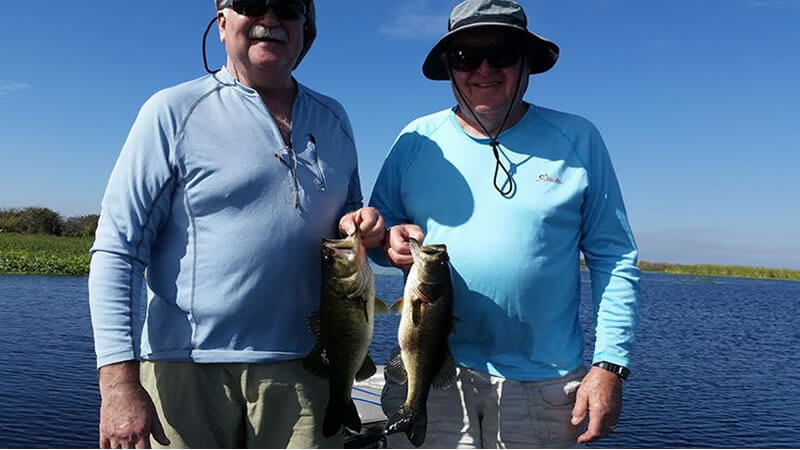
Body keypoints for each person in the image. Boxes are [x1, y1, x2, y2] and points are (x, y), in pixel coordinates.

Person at [88, 0, 385, 448]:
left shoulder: (335, 119)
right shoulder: (171, 111)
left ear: (305, 27)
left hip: (307, 369)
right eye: (251, 3)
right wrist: (118, 386)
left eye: (287, 7)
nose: (271, 18)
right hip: (187, 371)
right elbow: (117, 250)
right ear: (222, 23)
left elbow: (351, 213)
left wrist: (361, 223)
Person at [369, 0, 641, 447]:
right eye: (466, 57)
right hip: (435, 373)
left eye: (501, 54)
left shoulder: (578, 139)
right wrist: (388, 242)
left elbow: (614, 256)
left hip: (545, 385)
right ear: (449, 68)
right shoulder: (415, 140)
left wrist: (609, 365)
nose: (484, 68)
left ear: (526, 62)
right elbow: (382, 233)